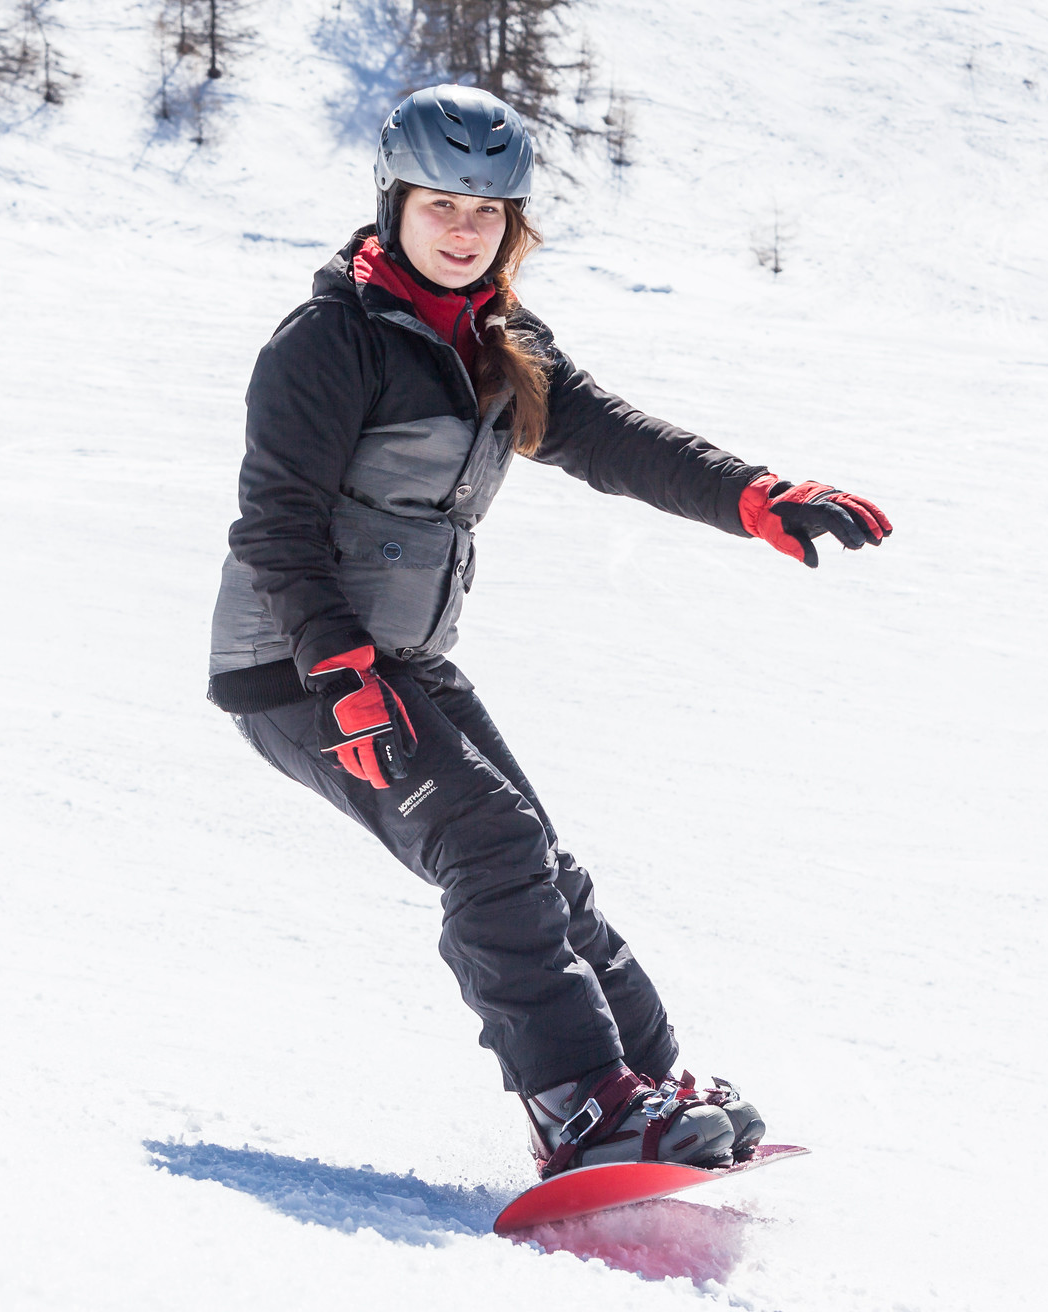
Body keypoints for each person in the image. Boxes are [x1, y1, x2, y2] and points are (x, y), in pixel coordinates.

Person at [206, 85, 891, 1178]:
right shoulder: (330, 340)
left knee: (539, 863)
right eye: (440, 205)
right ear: (392, 203)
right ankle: (578, 1107)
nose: (462, 231)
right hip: (295, 664)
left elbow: (609, 435)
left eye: (486, 212)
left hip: (401, 660)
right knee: (488, 845)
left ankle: (648, 1087)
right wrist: (338, 673)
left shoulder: (499, 339)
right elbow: (275, 521)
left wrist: (752, 494)